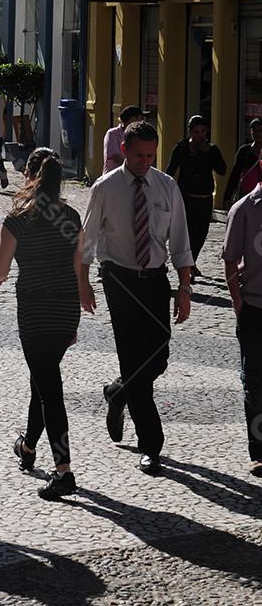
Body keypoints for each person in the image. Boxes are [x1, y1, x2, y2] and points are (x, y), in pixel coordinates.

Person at [81, 120, 193, 475]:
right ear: (124, 151)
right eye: (139, 155)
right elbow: (86, 239)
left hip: (155, 280)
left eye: (150, 155)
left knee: (157, 358)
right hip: (119, 280)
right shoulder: (105, 188)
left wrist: (184, 289)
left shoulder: (167, 186)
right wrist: (83, 282)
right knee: (133, 360)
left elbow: (181, 242)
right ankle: (151, 445)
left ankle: (118, 392)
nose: (145, 162)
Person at [0, 148, 89, 500]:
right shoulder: (72, 216)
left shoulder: (17, 220)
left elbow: (1, 272)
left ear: (28, 177)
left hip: (35, 313)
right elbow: (79, 267)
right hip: (65, 311)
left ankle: (64, 471)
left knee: (50, 389)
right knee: (43, 381)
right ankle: (28, 447)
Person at [222, 184, 262, 477]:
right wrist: (239, 304)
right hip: (254, 308)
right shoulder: (244, 209)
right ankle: (259, 452)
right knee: (255, 383)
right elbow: (230, 259)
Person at [165, 116, 227, 279]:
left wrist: (209, 154)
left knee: (201, 233)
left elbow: (222, 170)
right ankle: (188, 266)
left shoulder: (212, 149)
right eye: (196, 132)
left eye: (203, 132)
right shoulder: (181, 148)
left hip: (204, 198)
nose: (200, 135)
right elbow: (170, 171)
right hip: (185, 197)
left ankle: (191, 262)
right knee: (187, 233)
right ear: (190, 131)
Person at [224, 118, 262, 208]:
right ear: (251, 132)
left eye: (260, 131)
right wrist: (227, 197)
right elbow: (235, 174)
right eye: (254, 131)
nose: (257, 134)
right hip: (246, 196)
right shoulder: (244, 151)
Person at [102, 105, 144, 173]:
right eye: (140, 119)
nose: (141, 122)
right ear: (132, 119)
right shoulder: (112, 133)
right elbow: (115, 157)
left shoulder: (137, 134)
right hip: (114, 175)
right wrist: (131, 167)